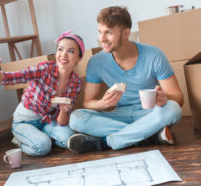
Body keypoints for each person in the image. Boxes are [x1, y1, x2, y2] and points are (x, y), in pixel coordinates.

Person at [67, 6, 184, 153]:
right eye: (100, 32)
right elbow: (88, 102)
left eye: (108, 33)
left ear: (126, 33)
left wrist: (164, 97)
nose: (102, 39)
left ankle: (106, 142)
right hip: (119, 115)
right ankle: (149, 136)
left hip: (149, 113)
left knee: (173, 109)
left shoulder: (154, 55)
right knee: (76, 118)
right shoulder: (96, 62)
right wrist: (103, 103)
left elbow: (179, 98)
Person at [0, 30, 84, 156]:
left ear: (79, 58)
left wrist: (64, 111)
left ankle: (41, 137)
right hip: (25, 121)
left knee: (68, 138)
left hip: (48, 121)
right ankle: (21, 141)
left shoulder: (76, 83)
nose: (63, 55)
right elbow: (12, 78)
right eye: (60, 49)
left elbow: (61, 121)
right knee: (43, 147)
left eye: (71, 51)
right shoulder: (44, 69)